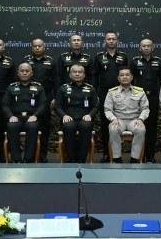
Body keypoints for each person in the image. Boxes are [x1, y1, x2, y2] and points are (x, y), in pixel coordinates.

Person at [93, 31, 129, 162]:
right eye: (109, 39)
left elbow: (127, 75)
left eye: (113, 39)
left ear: (117, 41)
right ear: (105, 41)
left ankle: (117, 154)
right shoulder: (99, 57)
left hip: (121, 93)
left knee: (119, 122)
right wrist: (95, 94)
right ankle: (106, 154)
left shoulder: (123, 56)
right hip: (104, 93)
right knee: (105, 124)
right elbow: (94, 76)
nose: (111, 41)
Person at [2, 63, 47, 163]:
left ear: (31, 73)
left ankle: (29, 158)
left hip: (32, 117)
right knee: (11, 126)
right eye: (22, 71)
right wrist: (10, 116)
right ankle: (16, 159)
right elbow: (5, 104)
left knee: (32, 126)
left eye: (27, 71)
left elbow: (43, 104)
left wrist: (35, 115)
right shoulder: (11, 87)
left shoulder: (38, 87)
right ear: (18, 73)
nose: (24, 73)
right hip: (16, 117)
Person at [54, 64, 99, 163]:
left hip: (85, 118)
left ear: (84, 75)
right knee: (69, 126)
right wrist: (64, 115)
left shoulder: (91, 88)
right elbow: (57, 106)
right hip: (68, 118)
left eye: (80, 72)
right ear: (70, 75)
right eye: (74, 72)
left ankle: (82, 159)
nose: (77, 74)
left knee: (86, 126)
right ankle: (70, 158)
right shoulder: (63, 88)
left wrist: (90, 115)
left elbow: (96, 106)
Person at [133, 38, 161, 162]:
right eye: (144, 46)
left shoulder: (158, 61)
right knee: (139, 126)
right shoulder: (135, 61)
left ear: (152, 48)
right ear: (140, 48)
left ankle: (150, 155)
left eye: (148, 46)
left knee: (152, 127)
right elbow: (130, 80)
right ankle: (139, 155)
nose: (146, 48)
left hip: (153, 97)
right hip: (138, 98)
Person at [104, 66, 148, 163]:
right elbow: (107, 109)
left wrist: (141, 119)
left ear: (132, 77)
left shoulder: (140, 92)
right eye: (122, 75)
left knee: (141, 130)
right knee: (113, 129)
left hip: (134, 120)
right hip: (118, 120)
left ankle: (134, 158)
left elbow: (145, 108)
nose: (124, 77)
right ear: (118, 78)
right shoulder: (112, 92)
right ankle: (117, 158)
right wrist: (113, 119)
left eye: (127, 75)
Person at [25, 38, 56, 162]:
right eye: (35, 46)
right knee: (29, 125)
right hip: (29, 97)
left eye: (40, 46)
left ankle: (43, 154)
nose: (37, 48)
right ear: (32, 47)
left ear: (44, 47)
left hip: (46, 97)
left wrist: (55, 97)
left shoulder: (51, 61)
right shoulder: (26, 61)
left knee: (45, 127)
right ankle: (30, 155)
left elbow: (56, 80)